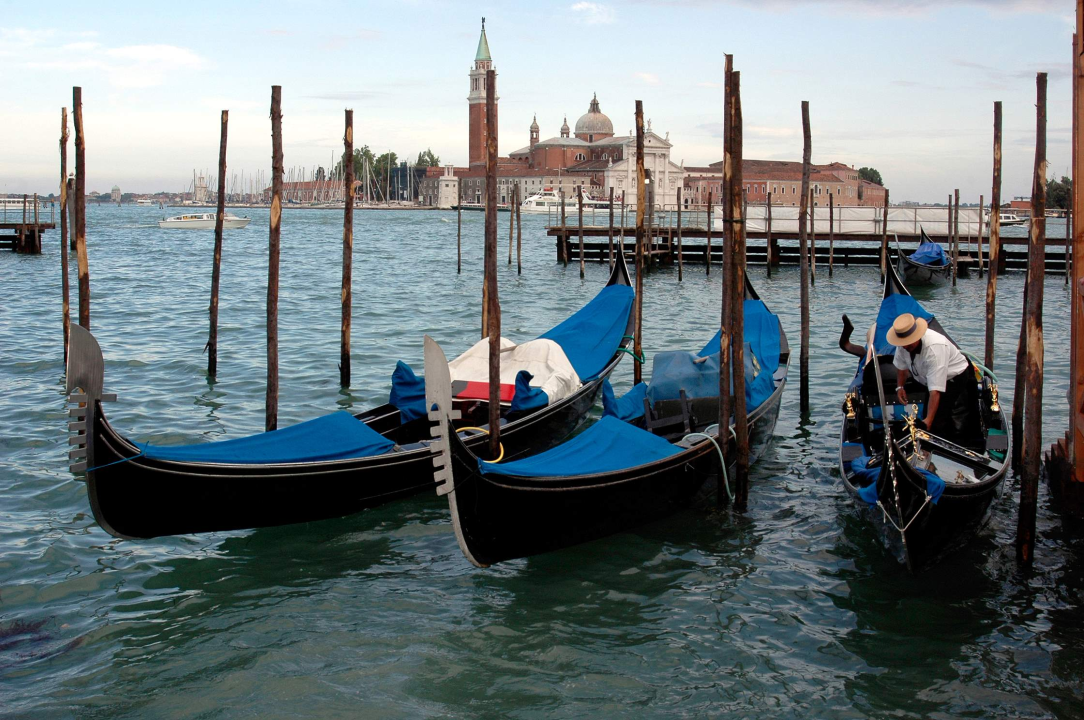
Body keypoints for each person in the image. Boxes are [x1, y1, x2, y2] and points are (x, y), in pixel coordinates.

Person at [887, 312, 982, 447]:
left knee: (953, 423)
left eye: (908, 343)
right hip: (927, 379)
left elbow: (935, 392)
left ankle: (957, 449)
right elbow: (901, 367)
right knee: (932, 417)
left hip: (957, 377)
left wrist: (928, 422)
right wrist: (900, 387)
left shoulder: (935, 348)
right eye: (903, 344)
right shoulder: (903, 345)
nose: (905, 347)